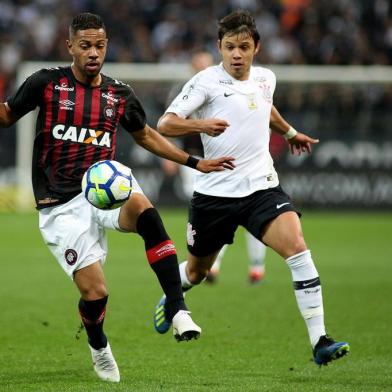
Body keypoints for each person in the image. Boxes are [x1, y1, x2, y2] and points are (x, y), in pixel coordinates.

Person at [0, 13, 235, 383]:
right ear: (71, 47)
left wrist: (194, 161)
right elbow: (7, 115)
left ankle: (177, 307)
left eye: (100, 45)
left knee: (144, 209)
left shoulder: (118, 93)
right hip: (59, 204)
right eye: (85, 45)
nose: (93, 52)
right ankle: (98, 344)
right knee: (96, 294)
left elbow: (145, 135)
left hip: (104, 189)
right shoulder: (46, 83)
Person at [153, 10, 349, 366]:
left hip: (262, 188)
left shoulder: (265, 78)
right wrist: (202, 125)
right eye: (230, 47)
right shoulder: (205, 82)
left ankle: (320, 340)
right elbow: (165, 124)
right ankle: (172, 297)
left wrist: (290, 133)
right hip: (214, 195)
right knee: (197, 272)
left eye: (243, 46)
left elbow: (266, 109)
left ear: (256, 47)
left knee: (299, 249)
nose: (237, 54)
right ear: (220, 47)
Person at [161, 50, 267, 285]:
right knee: (213, 214)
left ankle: (255, 265)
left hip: (229, 159)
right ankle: (212, 263)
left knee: (252, 208)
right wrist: (169, 155)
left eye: (206, 64)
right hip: (194, 160)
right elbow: (169, 123)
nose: (203, 69)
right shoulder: (185, 89)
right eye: (198, 64)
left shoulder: (236, 86)